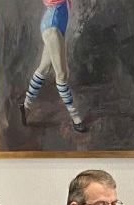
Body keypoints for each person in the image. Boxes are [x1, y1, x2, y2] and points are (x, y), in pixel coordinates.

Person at [19, 0, 86, 132]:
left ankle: (26, 107)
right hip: (52, 26)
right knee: (62, 74)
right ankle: (75, 117)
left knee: (43, 69)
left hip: (56, 23)